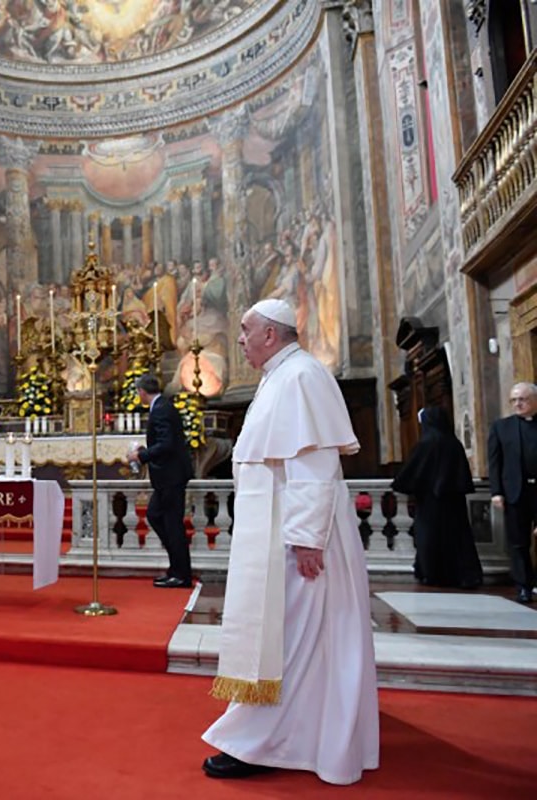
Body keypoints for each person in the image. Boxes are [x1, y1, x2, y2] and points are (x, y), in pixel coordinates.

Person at [201, 298, 378, 785]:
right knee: (297, 635)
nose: (239, 339)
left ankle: (258, 741)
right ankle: (302, 734)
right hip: (285, 532)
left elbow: (315, 466)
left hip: (298, 538)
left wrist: (305, 540)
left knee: (291, 635)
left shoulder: (300, 377)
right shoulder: (280, 377)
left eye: (245, 330)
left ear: (270, 335)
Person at [391, 405, 483, 589]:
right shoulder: (454, 443)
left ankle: (432, 573)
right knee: (458, 538)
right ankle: (463, 575)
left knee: (429, 537)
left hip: (429, 502)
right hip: (453, 501)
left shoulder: (425, 444)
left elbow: (412, 473)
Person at [134, 373, 194, 588]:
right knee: (155, 515)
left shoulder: (160, 409)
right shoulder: (162, 406)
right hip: (168, 476)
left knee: (172, 524)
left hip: (171, 476)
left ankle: (181, 574)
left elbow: (167, 443)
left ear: (142, 391)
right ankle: (176, 568)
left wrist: (141, 456)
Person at [487, 382, 537, 604]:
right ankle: (524, 586)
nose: (517, 403)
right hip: (515, 492)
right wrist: (496, 491)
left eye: (522, 399)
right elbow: (495, 462)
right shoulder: (501, 427)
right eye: (514, 400)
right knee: (518, 542)